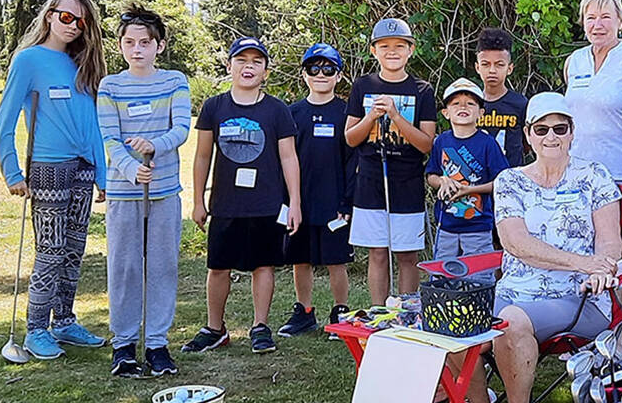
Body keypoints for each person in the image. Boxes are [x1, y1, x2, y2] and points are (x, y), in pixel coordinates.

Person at [465, 93, 622, 403]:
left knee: (512, 322)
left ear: (572, 133)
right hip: (516, 290)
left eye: (560, 128)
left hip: (580, 298)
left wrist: (603, 268)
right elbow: (516, 243)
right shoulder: (510, 181)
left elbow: (610, 239)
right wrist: (584, 261)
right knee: (456, 320)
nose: (551, 136)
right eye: (542, 129)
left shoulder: (594, 176)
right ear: (528, 135)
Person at [0, 0, 108, 360]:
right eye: (66, 17)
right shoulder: (28, 60)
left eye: (81, 21)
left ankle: (65, 321)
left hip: (82, 170)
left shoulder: (83, 64)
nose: (73, 26)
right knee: (51, 249)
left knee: (74, 250)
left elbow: (92, 126)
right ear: (49, 15)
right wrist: (12, 171)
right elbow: (5, 120)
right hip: (47, 169)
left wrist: (102, 176)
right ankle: (36, 329)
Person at [184, 37, 302, 355]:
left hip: (267, 203)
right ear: (229, 66)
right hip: (226, 204)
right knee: (218, 267)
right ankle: (215, 328)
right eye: (241, 60)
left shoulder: (277, 110)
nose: (248, 67)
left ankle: (260, 327)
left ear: (265, 71)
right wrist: (198, 201)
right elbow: (202, 157)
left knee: (264, 266)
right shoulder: (214, 107)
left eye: (255, 62)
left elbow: (289, 158)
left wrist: (295, 203)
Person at [96, 4, 192, 377]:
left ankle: (156, 344)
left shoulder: (174, 82)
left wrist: (155, 146)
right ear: (121, 46)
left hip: (164, 191)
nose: (137, 49)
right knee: (125, 267)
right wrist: (132, 168)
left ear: (159, 46)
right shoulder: (110, 86)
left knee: (163, 266)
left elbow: (181, 127)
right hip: (124, 192)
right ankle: (123, 345)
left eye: (145, 42)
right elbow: (110, 137)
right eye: (129, 42)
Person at [344, 18, 436, 305]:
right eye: (384, 46)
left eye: (399, 46)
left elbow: (426, 143)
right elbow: (350, 138)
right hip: (370, 179)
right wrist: (372, 116)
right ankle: (378, 312)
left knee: (407, 254)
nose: (392, 51)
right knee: (378, 252)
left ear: (411, 50)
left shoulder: (422, 90)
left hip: (407, 181)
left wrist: (396, 117)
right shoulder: (362, 86)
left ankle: (407, 311)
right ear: (374, 51)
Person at [278, 43, 356, 337]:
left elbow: (352, 162)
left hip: (334, 201)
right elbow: (283, 159)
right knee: (301, 258)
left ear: (338, 76)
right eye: (314, 68)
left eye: (328, 69)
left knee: (336, 260)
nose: (320, 74)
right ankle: (304, 311)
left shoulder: (347, 113)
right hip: (299, 201)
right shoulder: (291, 113)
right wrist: (287, 201)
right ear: (304, 74)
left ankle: (340, 311)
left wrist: (347, 203)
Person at [563, 0, 622, 249]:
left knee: (621, 257)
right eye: (590, 18)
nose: (597, 25)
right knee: (581, 250)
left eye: (605, 17)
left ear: (620, 22)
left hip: (621, 172)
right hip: (578, 172)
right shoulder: (573, 62)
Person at [425, 78, 510, 270]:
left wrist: (469, 189)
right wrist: (443, 181)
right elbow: (431, 175)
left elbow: (503, 181)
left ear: (480, 113)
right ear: (446, 113)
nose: (463, 107)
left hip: (478, 226)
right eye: (456, 103)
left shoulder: (487, 143)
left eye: (470, 103)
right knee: (443, 276)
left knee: (479, 276)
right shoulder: (441, 142)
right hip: (445, 225)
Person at [474, 27, 530, 167]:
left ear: (509, 68)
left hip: (511, 178)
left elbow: (528, 142)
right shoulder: (470, 103)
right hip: (476, 181)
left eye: (499, 65)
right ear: (477, 67)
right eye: (486, 64)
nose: (492, 70)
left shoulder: (520, 104)